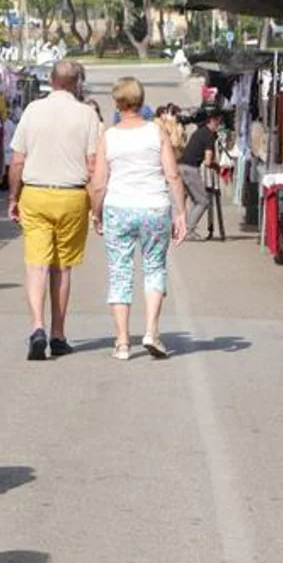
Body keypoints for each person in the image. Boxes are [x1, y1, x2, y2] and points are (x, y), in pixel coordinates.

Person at [9, 60, 102, 361]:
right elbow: (93, 165)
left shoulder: (33, 111)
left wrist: (13, 196)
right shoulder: (88, 115)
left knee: (36, 264)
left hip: (35, 194)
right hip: (72, 195)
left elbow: (18, 160)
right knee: (62, 267)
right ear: (77, 82)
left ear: (51, 80)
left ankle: (37, 326)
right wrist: (97, 206)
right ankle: (58, 333)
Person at [90, 78, 188, 361]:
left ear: (117, 102)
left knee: (120, 271)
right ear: (141, 100)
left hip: (118, 207)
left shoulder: (108, 136)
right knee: (154, 267)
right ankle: (151, 331)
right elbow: (172, 175)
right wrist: (180, 212)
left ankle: (122, 342)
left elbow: (98, 183)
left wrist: (96, 213)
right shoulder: (156, 132)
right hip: (153, 207)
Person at [178, 107, 224, 239]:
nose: (219, 125)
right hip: (190, 168)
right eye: (218, 122)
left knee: (192, 199)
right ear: (213, 120)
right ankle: (188, 230)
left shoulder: (200, 131)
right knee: (203, 200)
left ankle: (182, 228)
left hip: (182, 166)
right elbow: (208, 161)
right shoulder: (209, 135)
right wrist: (217, 167)